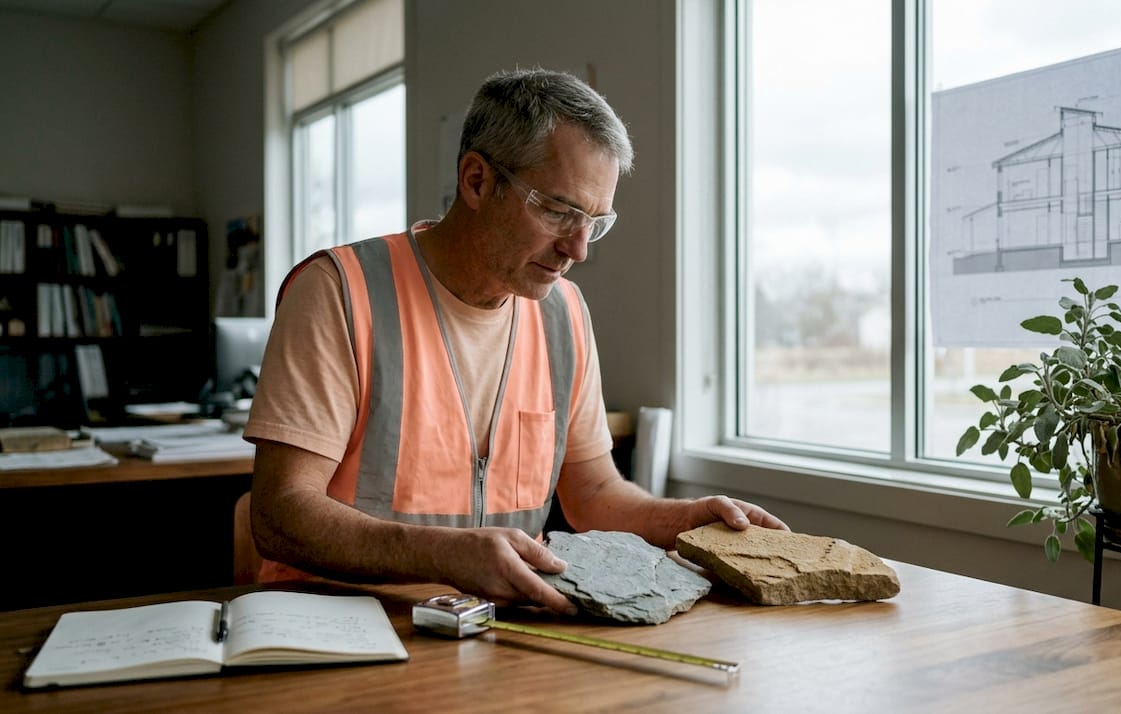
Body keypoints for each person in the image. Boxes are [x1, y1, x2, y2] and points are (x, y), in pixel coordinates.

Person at [243, 67, 788, 615]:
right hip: (335, 626)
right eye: (558, 211)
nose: (579, 250)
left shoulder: (565, 313)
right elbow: (279, 514)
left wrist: (685, 521)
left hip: (493, 628)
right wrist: (444, 556)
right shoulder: (339, 290)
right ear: (477, 180)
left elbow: (593, 496)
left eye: (595, 222)